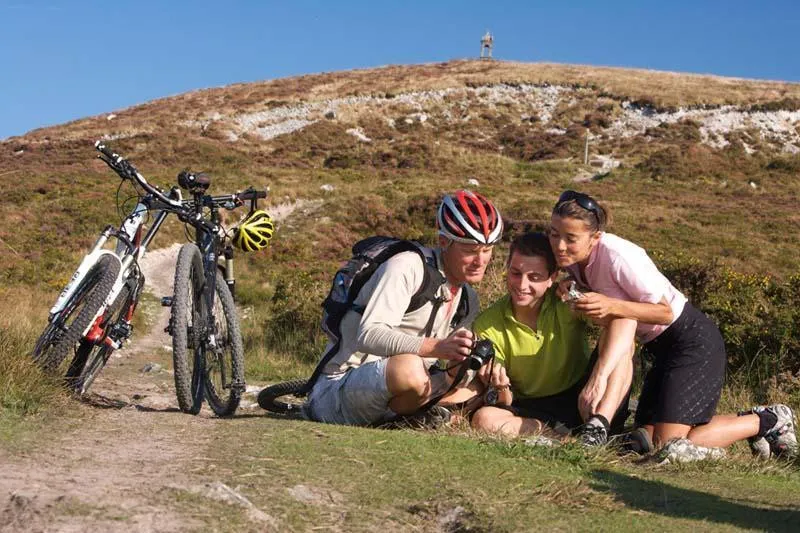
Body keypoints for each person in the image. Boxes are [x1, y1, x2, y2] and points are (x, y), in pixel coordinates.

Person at [547, 189, 797, 461]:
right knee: (641, 441)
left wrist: (611, 305)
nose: (560, 245)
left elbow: (665, 312)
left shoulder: (619, 256)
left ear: (595, 237)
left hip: (691, 341)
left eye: (571, 238)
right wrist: (572, 287)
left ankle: (768, 419)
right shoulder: (572, 260)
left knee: (669, 444)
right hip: (657, 348)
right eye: (554, 233)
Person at [303, 190, 503, 427]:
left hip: (404, 391)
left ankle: (409, 419)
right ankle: (416, 417)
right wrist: (438, 347)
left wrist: (464, 365)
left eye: (487, 250)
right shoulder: (407, 266)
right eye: (470, 250)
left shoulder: (467, 297)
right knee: (409, 368)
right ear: (443, 242)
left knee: (478, 384)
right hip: (339, 389)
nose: (480, 261)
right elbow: (370, 334)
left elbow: (450, 369)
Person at [470, 232, 632, 445]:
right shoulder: (487, 324)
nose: (522, 285)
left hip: (586, 396)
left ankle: (598, 426)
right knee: (484, 419)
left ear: (552, 278)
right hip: (534, 408)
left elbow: (626, 321)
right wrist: (500, 387)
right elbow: (505, 400)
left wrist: (598, 378)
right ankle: (571, 443)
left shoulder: (567, 300)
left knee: (622, 345)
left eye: (534, 277)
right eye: (516, 273)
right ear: (507, 269)